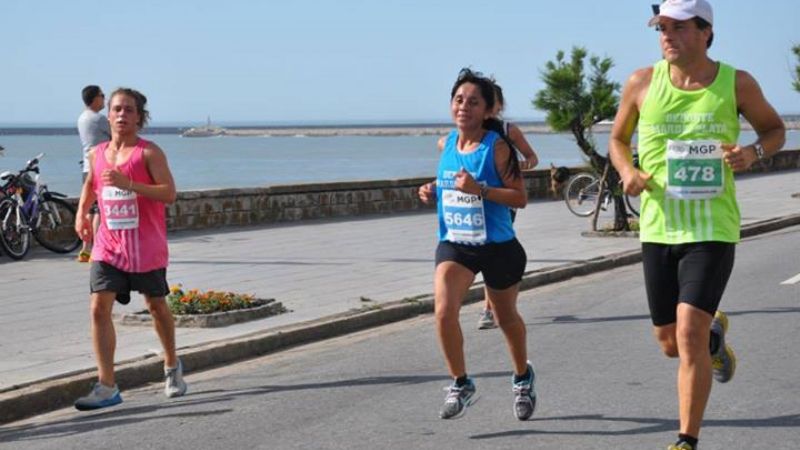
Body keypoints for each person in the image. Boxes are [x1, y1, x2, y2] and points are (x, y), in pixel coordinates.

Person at [608, 2, 785, 448]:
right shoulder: (641, 82)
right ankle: (715, 342)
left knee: (688, 331)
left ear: (706, 33)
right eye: (661, 28)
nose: (667, 36)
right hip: (658, 226)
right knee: (670, 342)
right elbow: (617, 139)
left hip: (712, 227)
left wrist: (752, 154)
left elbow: (774, 130)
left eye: (678, 28)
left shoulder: (736, 82)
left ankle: (686, 440)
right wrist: (627, 171)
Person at [418, 68, 536, 420]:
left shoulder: (497, 147)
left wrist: (480, 190)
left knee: (505, 317)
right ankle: (461, 382)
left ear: (487, 110)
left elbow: (520, 198)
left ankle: (521, 376)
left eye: (472, 102)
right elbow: (449, 182)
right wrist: (431, 190)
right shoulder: (445, 144)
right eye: (458, 100)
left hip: (498, 245)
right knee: (443, 310)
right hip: (456, 243)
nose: (463, 107)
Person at [74, 88, 187, 410]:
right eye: (117, 109)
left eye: (129, 110)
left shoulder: (149, 153)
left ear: (140, 117)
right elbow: (90, 186)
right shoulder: (97, 153)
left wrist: (129, 185)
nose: (122, 115)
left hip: (145, 245)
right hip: (108, 244)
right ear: (107, 115)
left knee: (156, 306)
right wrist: (82, 214)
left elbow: (169, 194)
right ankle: (107, 385)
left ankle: (171, 366)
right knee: (98, 307)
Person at [477, 80, 539, 330]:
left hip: (502, 201)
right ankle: (498, 302)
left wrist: (512, 168)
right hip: (472, 202)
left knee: (493, 251)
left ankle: (490, 308)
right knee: (483, 252)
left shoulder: (507, 130)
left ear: (498, 105)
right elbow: (445, 144)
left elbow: (532, 158)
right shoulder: (468, 128)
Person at [77, 85, 111, 262]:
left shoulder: (82, 118)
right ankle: (98, 247)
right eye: (102, 95)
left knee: (90, 208)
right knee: (100, 209)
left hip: (87, 167)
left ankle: (85, 249)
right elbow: (117, 135)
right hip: (100, 166)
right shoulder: (98, 119)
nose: (104, 99)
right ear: (94, 98)